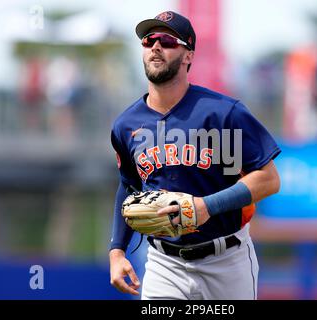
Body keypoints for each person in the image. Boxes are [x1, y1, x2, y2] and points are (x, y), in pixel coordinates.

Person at [109, 10, 281, 300]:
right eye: (148, 40)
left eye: (166, 40)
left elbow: (269, 180)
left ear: (188, 55)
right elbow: (128, 186)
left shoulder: (223, 113)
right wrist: (117, 251)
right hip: (165, 264)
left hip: (226, 259)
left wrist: (207, 207)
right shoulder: (126, 125)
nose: (155, 47)